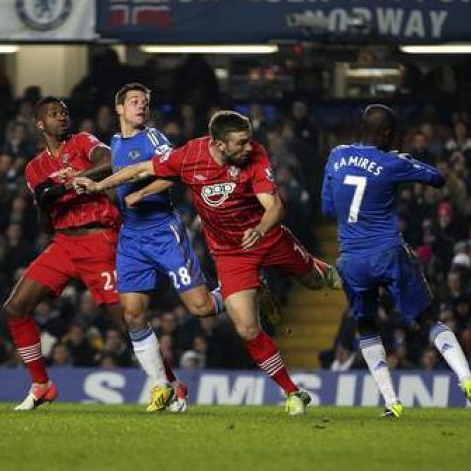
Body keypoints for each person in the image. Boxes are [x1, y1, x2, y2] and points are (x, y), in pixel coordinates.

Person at [74, 110, 341, 416]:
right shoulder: (191, 155)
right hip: (230, 253)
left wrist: (259, 230)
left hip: (267, 237)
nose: (248, 147)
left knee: (314, 282)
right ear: (219, 144)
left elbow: (274, 206)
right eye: (240, 143)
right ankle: (293, 392)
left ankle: (330, 272)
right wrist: (99, 186)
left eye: (249, 140)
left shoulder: (255, 155)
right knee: (247, 329)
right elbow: (142, 169)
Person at [3, 97, 182, 411]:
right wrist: (44, 202)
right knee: (15, 308)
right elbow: (45, 225)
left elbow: (111, 161)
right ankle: (42, 385)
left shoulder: (83, 142)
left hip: (100, 240)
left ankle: (173, 385)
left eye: (64, 112)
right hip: (63, 244)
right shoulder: (34, 169)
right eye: (54, 114)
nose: (62, 117)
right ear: (40, 124)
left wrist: (65, 185)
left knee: (127, 320)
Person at [320, 104, 471, 419]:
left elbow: (328, 209)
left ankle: (392, 402)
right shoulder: (391, 161)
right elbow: (437, 179)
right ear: (388, 134)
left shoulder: (336, 155)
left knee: (366, 325)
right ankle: (468, 383)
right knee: (429, 320)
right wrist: (404, 160)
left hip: (351, 260)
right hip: (388, 253)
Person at [91, 83, 226, 412]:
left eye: (145, 102)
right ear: (119, 108)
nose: (141, 106)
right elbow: (117, 175)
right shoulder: (116, 141)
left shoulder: (153, 139)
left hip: (163, 231)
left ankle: (238, 290)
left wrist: (141, 193)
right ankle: (162, 387)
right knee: (132, 314)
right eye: (134, 101)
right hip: (131, 238)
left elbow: (176, 173)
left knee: (201, 307)